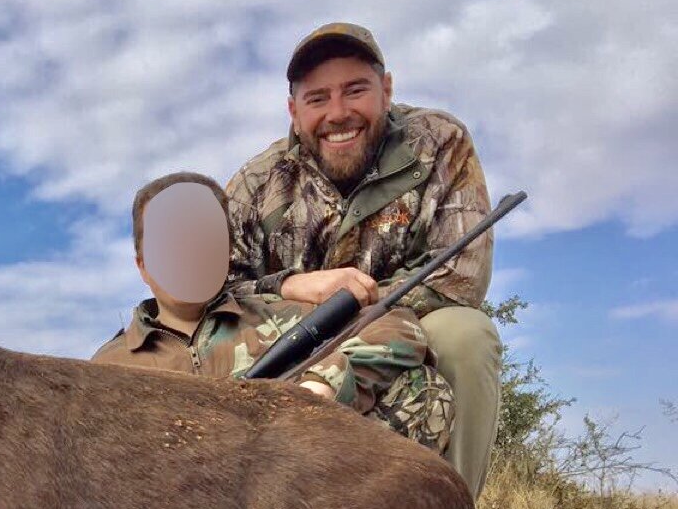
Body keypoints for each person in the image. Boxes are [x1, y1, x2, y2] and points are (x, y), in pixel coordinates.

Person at [225, 22, 500, 494]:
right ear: (293, 111)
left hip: (409, 327)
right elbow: (216, 289)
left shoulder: (440, 143)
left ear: (386, 90)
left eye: (355, 90)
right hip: (290, 337)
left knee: (467, 335)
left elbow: (461, 277)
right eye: (317, 99)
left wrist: (357, 309)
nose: (338, 113)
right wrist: (292, 287)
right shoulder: (256, 182)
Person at [93, 171, 453, 452]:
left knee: (424, 389)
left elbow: (397, 325)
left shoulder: (276, 316)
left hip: (286, 499)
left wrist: (319, 387)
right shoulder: (104, 369)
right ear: (142, 264)